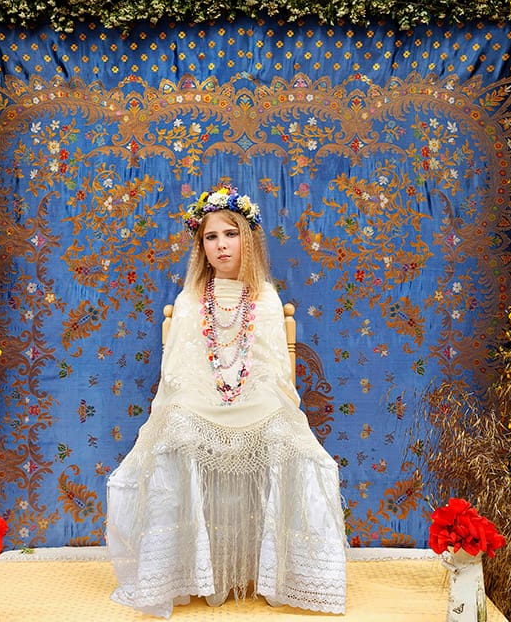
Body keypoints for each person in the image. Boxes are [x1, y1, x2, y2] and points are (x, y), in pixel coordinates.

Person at [106, 186, 348, 618]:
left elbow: (274, 372)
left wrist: (245, 397)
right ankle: (188, 570)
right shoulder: (189, 301)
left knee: (282, 430)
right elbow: (179, 371)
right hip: (201, 400)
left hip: (255, 400)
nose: (221, 245)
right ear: (201, 246)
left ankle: (278, 572)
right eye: (211, 237)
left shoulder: (266, 299)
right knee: (177, 427)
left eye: (230, 234)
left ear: (247, 240)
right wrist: (208, 399)